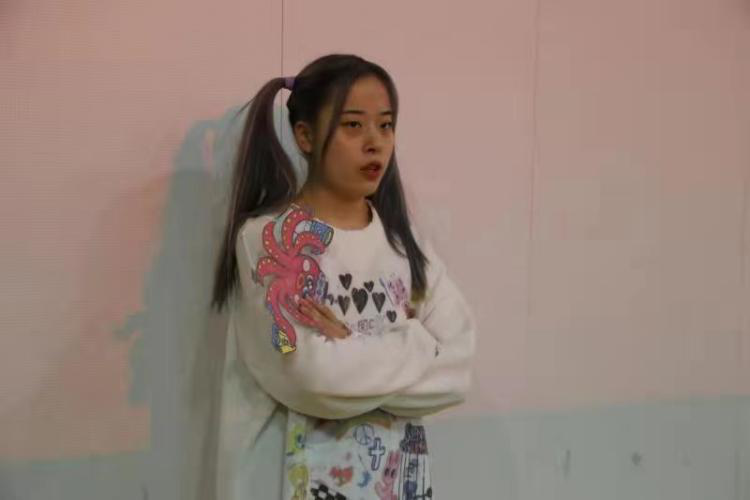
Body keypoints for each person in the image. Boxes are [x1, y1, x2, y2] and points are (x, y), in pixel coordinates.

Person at [210, 53, 477, 500]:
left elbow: (457, 370)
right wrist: (417, 342)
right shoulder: (274, 242)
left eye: (386, 125)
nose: (375, 143)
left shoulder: (403, 244)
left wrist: (349, 343)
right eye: (353, 125)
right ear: (306, 135)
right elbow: (308, 375)